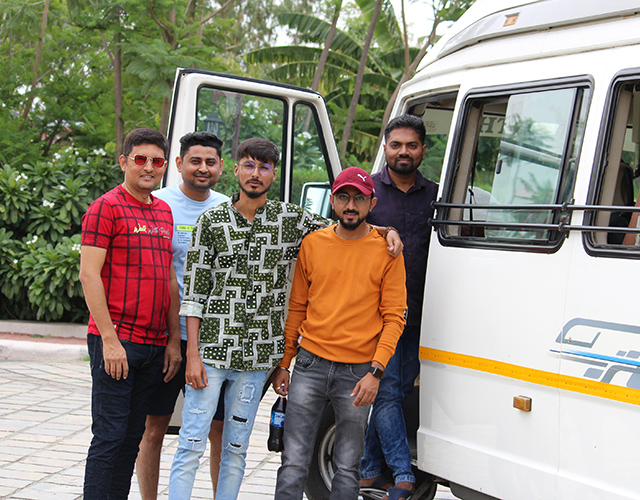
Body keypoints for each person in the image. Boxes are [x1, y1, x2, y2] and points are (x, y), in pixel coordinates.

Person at [168, 138, 403, 500]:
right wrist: (192, 355)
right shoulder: (212, 221)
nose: (255, 174)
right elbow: (195, 296)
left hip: (257, 358)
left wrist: (387, 231)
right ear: (236, 170)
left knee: (236, 448)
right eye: (249, 165)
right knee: (191, 443)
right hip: (212, 352)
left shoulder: (289, 219)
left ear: (273, 174)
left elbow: (347, 225)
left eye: (264, 167)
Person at [272, 167, 407, 500]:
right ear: (332, 201)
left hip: (358, 374)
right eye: (344, 197)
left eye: (359, 199)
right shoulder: (313, 244)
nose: (351, 205)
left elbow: (394, 318)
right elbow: (297, 308)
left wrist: (376, 372)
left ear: (372, 203)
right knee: (293, 461)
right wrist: (285, 362)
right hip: (309, 366)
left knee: (347, 467)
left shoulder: (388, 252)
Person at [79, 128, 182, 499]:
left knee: (131, 438)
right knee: (109, 436)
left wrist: (173, 340)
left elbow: (169, 279)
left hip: (154, 346)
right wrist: (109, 340)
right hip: (117, 341)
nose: (149, 167)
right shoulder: (105, 207)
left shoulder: (164, 211)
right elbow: (89, 275)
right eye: (140, 159)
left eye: (157, 161)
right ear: (124, 161)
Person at [135, 131, 230, 499]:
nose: (202, 168)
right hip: (165, 338)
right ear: (179, 164)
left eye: (210, 162)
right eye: (195, 161)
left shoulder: (229, 209)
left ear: (220, 167)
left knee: (219, 430)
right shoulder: (158, 204)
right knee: (154, 427)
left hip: (214, 341)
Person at [360, 114, 439, 500]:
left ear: (423, 149)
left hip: (421, 310)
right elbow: (344, 230)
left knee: (401, 389)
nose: (403, 152)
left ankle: (368, 469)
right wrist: (381, 230)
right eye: (396, 145)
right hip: (378, 315)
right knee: (388, 390)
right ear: (385, 148)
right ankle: (403, 474)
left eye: (411, 145)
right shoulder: (367, 191)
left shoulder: (437, 195)